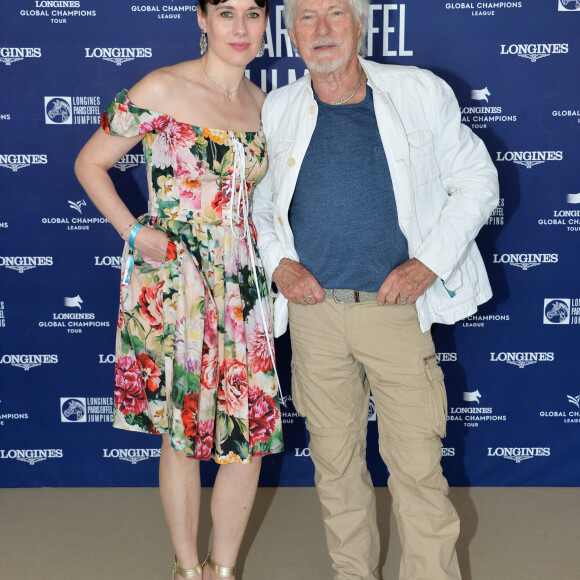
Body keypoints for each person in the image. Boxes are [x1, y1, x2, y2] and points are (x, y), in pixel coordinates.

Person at [252, 0, 499, 578]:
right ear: (290, 33)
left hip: (395, 313)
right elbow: (261, 206)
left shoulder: (416, 91)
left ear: (360, 24)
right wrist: (280, 265)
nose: (322, 30)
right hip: (314, 315)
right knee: (335, 468)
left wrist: (428, 265)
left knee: (416, 469)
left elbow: (477, 182)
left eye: (335, 14)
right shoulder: (280, 108)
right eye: (307, 18)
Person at [74, 1, 283, 578]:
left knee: (248, 431)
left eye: (252, 13)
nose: (239, 29)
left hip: (242, 286)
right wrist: (134, 230)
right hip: (176, 282)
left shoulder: (265, 105)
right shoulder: (160, 88)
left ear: (267, 22)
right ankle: (188, 569)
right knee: (184, 432)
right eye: (225, 13)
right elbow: (90, 163)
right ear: (201, 19)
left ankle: (224, 570)